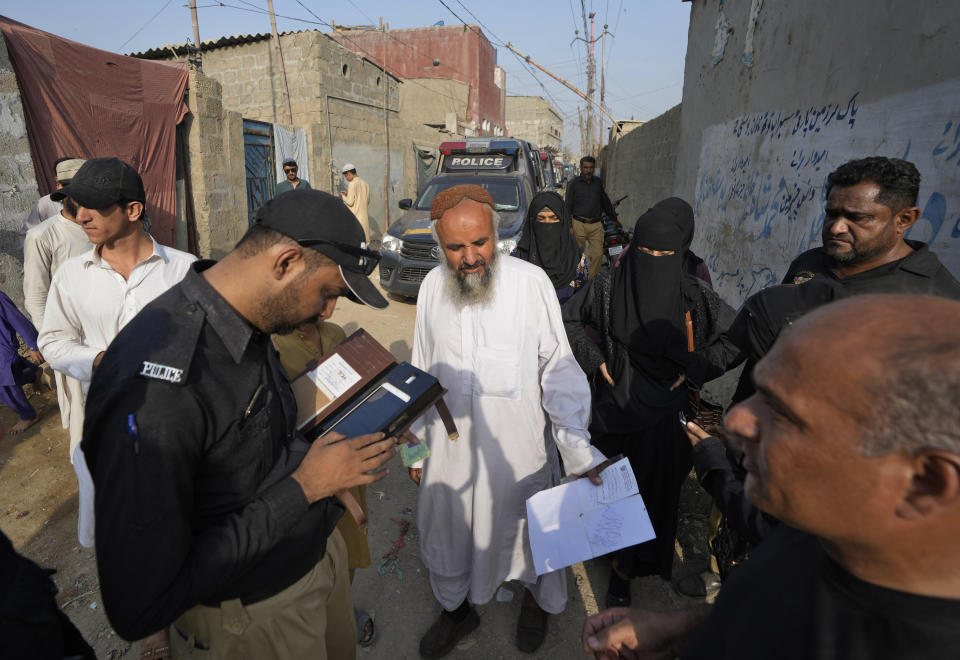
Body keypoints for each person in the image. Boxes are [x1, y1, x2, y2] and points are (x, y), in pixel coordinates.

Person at [81, 189, 400, 659]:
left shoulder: (246, 321)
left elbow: (254, 447)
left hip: (313, 566)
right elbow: (140, 605)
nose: (327, 312)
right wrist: (305, 488)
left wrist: (325, 472)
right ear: (286, 262)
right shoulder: (158, 385)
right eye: (327, 293)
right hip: (253, 617)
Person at [582, 294, 960, 659]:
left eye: (783, 412)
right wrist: (681, 631)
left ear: (925, 483)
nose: (734, 420)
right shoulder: (819, 535)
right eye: (759, 392)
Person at [409, 184, 607, 657]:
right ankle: (457, 611)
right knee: (447, 537)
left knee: (533, 540)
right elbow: (417, 373)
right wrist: (413, 449)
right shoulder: (432, 287)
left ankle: (535, 606)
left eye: (479, 242)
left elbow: (558, 369)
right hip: (450, 460)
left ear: (496, 233)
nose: (470, 257)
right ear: (440, 246)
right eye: (455, 248)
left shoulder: (529, 282)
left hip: (520, 457)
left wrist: (577, 449)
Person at [562, 197, 737, 607]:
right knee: (609, 492)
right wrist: (595, 358)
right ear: (632, 248)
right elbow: (569, 318)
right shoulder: (606, 285)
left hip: (666, 415)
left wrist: (697, 367)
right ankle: (616, 568)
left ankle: (636, 566)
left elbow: (738, 336)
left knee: (654, 495)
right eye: (646, 251)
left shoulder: (694, 293)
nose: (654, 260)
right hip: (612, 410)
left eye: (665, 253)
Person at [37, 157, 197, 549]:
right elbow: (52, 341)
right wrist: (97, 361)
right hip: (104, 418)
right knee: (117, 524)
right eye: (76, 205)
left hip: (176, 423)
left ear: (133, 210)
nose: (82, 216)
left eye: (95, 206)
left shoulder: (184, 271)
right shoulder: (72, 275)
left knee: (179, 517)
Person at [271, 319, 377, 648]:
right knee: (310, 564)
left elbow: (358, 398)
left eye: (336, 297)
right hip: (305, 481)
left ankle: (343, 608)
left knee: (346, 551)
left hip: (348, 473)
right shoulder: (273, 346)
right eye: (324, 294)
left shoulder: (335, 335)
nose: (329, 307)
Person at [783, 156, 960, 297]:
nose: (836, 228)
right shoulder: (810, 261)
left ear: (905, 220)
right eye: (831, 214)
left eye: (857, 217)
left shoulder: (936, 297)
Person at [23, 157, 90, 446]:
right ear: (61, 192)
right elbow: (36, 295)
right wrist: (51, 342)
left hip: (107, 329)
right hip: (70, 335)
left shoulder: (102, 225)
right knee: (81, 410)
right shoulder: (43, 235)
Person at [514, 190, 588, 302]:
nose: (547, 224)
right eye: (541, 219)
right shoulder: (519, 258)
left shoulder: (577, 259)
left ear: (562, 222)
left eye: (554, 218)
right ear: (532, 222)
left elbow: (583, 300)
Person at [564, 156, 617, 278]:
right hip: (578, 224)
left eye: (591, 168)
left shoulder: (598, 183)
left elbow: (605, 202)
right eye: (586, 168)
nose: (588, 170)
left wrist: (614, 218)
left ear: (594, 169)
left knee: (598, 254)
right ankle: (578, 280)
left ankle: (591, 283)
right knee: (579, 255)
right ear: (581, 168)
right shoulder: (573, 184)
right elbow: (567, 206)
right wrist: (569, 226)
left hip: (596, 225)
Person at [0, 291, 44, 433]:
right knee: (11, 375)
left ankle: (28, 416)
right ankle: (33, 372)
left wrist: (32, 344)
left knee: (4, 386)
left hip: (3, 349)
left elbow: (17, 319)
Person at [22, 156, 77, 238]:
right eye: (66, 180)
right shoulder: (45, 203)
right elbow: (26, 237)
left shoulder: (89, 200)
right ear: (57, 180)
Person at [339, 163, 371, 240]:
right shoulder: (365, 184)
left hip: (356, 219)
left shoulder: (352, 184)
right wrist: (348, 194)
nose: (346, 178)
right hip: (364, 219)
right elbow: (366, 200)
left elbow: (350, 202)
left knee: (356, 242)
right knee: (365, 243)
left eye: (346, 176)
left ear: (349, 173)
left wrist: (343, 196)